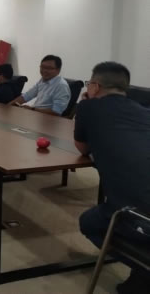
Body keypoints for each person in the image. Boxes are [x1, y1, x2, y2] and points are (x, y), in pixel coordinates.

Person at [74, 62, 150, 294]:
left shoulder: (87, 107)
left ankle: (144, 269)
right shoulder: (144, 111)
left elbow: (82, 148)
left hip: (138, 216)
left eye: (89, 83)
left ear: (95, 86)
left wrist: (86, 106)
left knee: (89, 223)